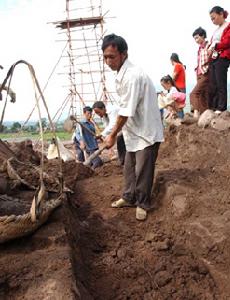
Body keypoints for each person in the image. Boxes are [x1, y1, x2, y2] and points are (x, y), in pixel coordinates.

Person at [101, 33, 164, 221]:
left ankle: (143, 203)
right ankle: (128, 197)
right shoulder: (121, 75)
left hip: (146, 132)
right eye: (105, 57)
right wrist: (110, 132)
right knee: (129, 167)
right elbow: (121, 108)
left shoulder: (133, 76)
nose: (108, 61)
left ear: (124, 54)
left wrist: (112, 135)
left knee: (143, 170)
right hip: (133, 131)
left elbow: (126, 111)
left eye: (111, 56)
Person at [207, 6, 230, 114]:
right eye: (211, 19)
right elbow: (213, 43)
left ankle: (221, 107)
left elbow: (227, 42)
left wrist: (214, 46)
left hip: (223, 57)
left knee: (220, 82)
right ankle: (215, 106)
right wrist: (210, 47)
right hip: (214, 57)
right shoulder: (216, 30)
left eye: (214, 18)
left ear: (221, 14)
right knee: (213, 82)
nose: (213, 21)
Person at [92, 101, 126, 165]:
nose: (98, 114)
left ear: (103, 108)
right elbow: (107, 126)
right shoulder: (104, 115)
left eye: (98, 112)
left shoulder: (113, 110)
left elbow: (113, 125)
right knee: (120, 143)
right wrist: (105, 139)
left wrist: (101, 134)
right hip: (121, 130)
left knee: (122, 142)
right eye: (96, 113)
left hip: (127, 128)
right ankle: (123, 161)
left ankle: (124, 161)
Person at [190, 27, 209, 118]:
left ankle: (196, 114)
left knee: (194, 93)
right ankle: (204, 114)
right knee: (202, 95)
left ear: (203, 36)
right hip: (199, 74)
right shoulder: (200, 49)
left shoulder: (208, 46)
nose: (196, 40)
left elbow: (211, 59)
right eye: (194, 39)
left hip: (205, 73)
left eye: (197, 37)